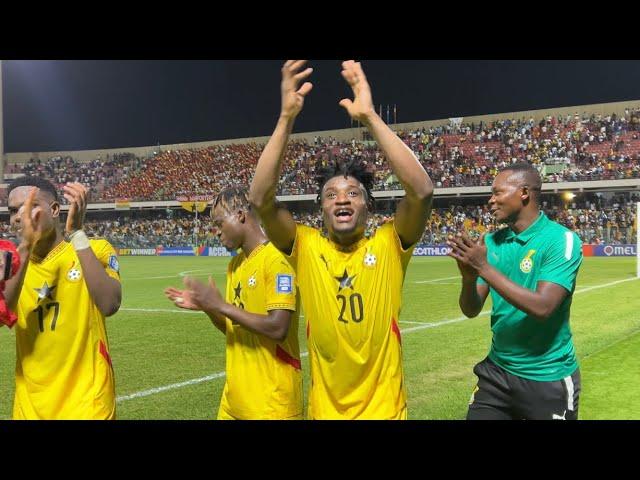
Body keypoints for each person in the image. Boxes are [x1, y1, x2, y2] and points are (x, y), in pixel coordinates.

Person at [249, 60, 434, 419]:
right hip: (325, 412)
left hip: (385, 412)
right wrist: (286, 117)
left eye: (353, 192)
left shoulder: (389, 243)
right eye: (332, 194)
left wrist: (370, 118)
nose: (343, 199)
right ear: (321, 208)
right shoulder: (304, 246)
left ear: (368, 205)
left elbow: (422, 192)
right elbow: (259, 200)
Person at [447, 162, 583, 420]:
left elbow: (543, 307)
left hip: (547, 376)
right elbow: (470, 309)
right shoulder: (491, 242)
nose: (491, 200)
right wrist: (468, 278)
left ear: (523, 193)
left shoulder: (560, 240)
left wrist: (483, 268)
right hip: (497, 373)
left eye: (498, 192)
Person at [164, 187, 302, 420]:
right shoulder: (235, 265)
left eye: (219, 223)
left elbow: (278, 328)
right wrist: (209, 307)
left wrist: (220, 305)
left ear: (240, 215)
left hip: (271, 404)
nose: (216, 233)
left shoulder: (277, 260)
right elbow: (233, 328)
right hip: (234, 401)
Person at [5, 177, 122, 419]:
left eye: (29, 206)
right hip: (29, 407)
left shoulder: (95, 249)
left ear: (55, 209)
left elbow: (110, 303)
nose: (19, 216)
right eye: (13, 210)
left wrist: (78, 234)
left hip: (87, 403)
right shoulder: (9, 262)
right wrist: (26, 245)